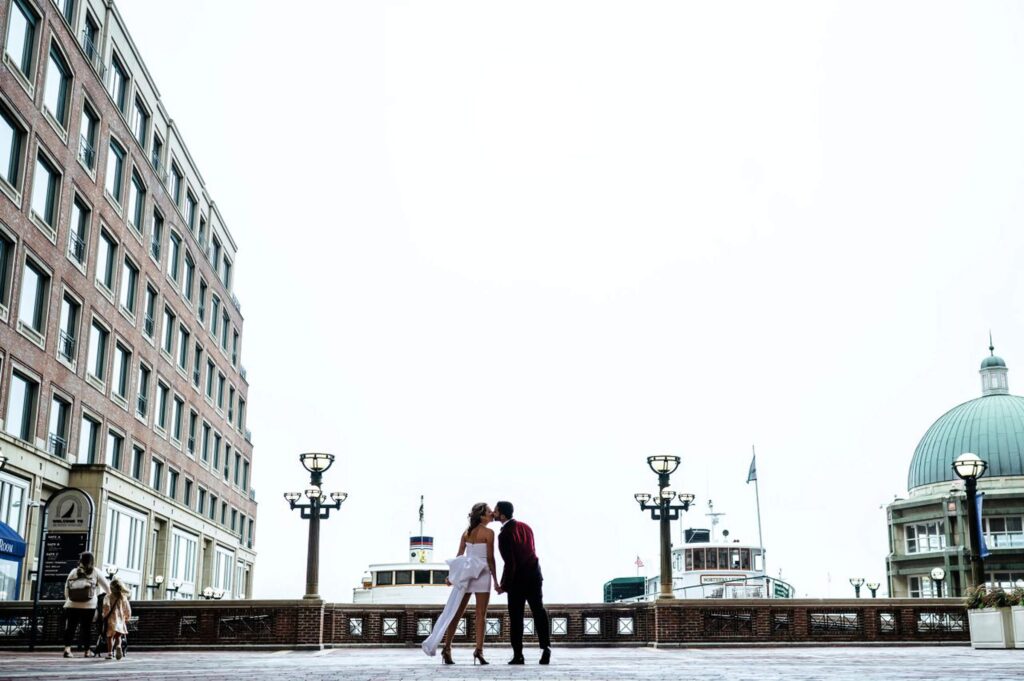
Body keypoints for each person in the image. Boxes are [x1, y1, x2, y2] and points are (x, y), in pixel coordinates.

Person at [421, 502, 498, 665]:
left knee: (455, 612)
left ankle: (447, 649)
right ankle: (478, 651)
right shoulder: (489, 533)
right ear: (483, 515)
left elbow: (458, 556)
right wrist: (497, 581)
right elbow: (491, 559)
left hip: (466, 573)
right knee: (480, 615)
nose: (492, 514)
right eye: (490, 511)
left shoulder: (466, 533)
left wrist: (452, 576)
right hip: (483, 573)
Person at [494, 500, 551, 665]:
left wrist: (503, 586)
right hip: (534, 575)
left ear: (502, 515)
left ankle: (518, 655)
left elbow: (510, 563)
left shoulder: (504, 535)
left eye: (496, 511)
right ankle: (545, 648)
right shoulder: (526, 527)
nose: (494, 514)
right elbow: (531, 550)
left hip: (517, 581)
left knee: (516, 617)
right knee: (539, 611)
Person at [62, 551, 110, 658]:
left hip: (72, 604)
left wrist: (69, 600)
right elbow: (107, 588)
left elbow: (66, 588)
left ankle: (67, 649)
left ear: (80, 560)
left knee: (70, 627)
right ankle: (87, 651)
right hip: (89, 605)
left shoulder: (73, 572)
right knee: (86, 628)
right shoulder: (95, 572)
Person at [102, 579, 132, 660]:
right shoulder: (123, 597)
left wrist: (104, 615)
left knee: (109, 637)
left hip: (111, 620)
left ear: (111, 588)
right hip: (120, 620)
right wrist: (127, 617)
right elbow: (127, 609)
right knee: (118, 637)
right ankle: (118, 646)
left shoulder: (108, 596)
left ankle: (110, 653)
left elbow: (106, 606)